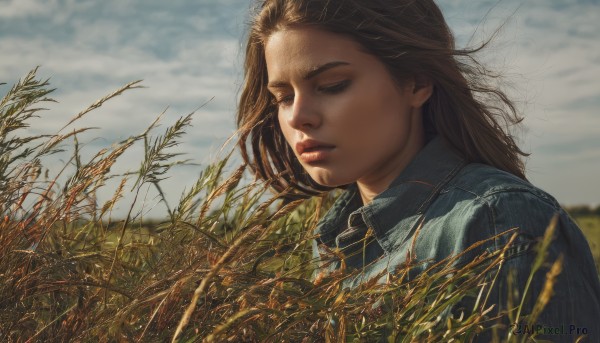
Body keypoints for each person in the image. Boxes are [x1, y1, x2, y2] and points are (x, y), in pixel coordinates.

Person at [235, 0, 600, 341]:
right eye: (283, 97)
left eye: (332, 86)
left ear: (417, 82)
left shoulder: (498, 223)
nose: (298, 116)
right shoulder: (335, 239)